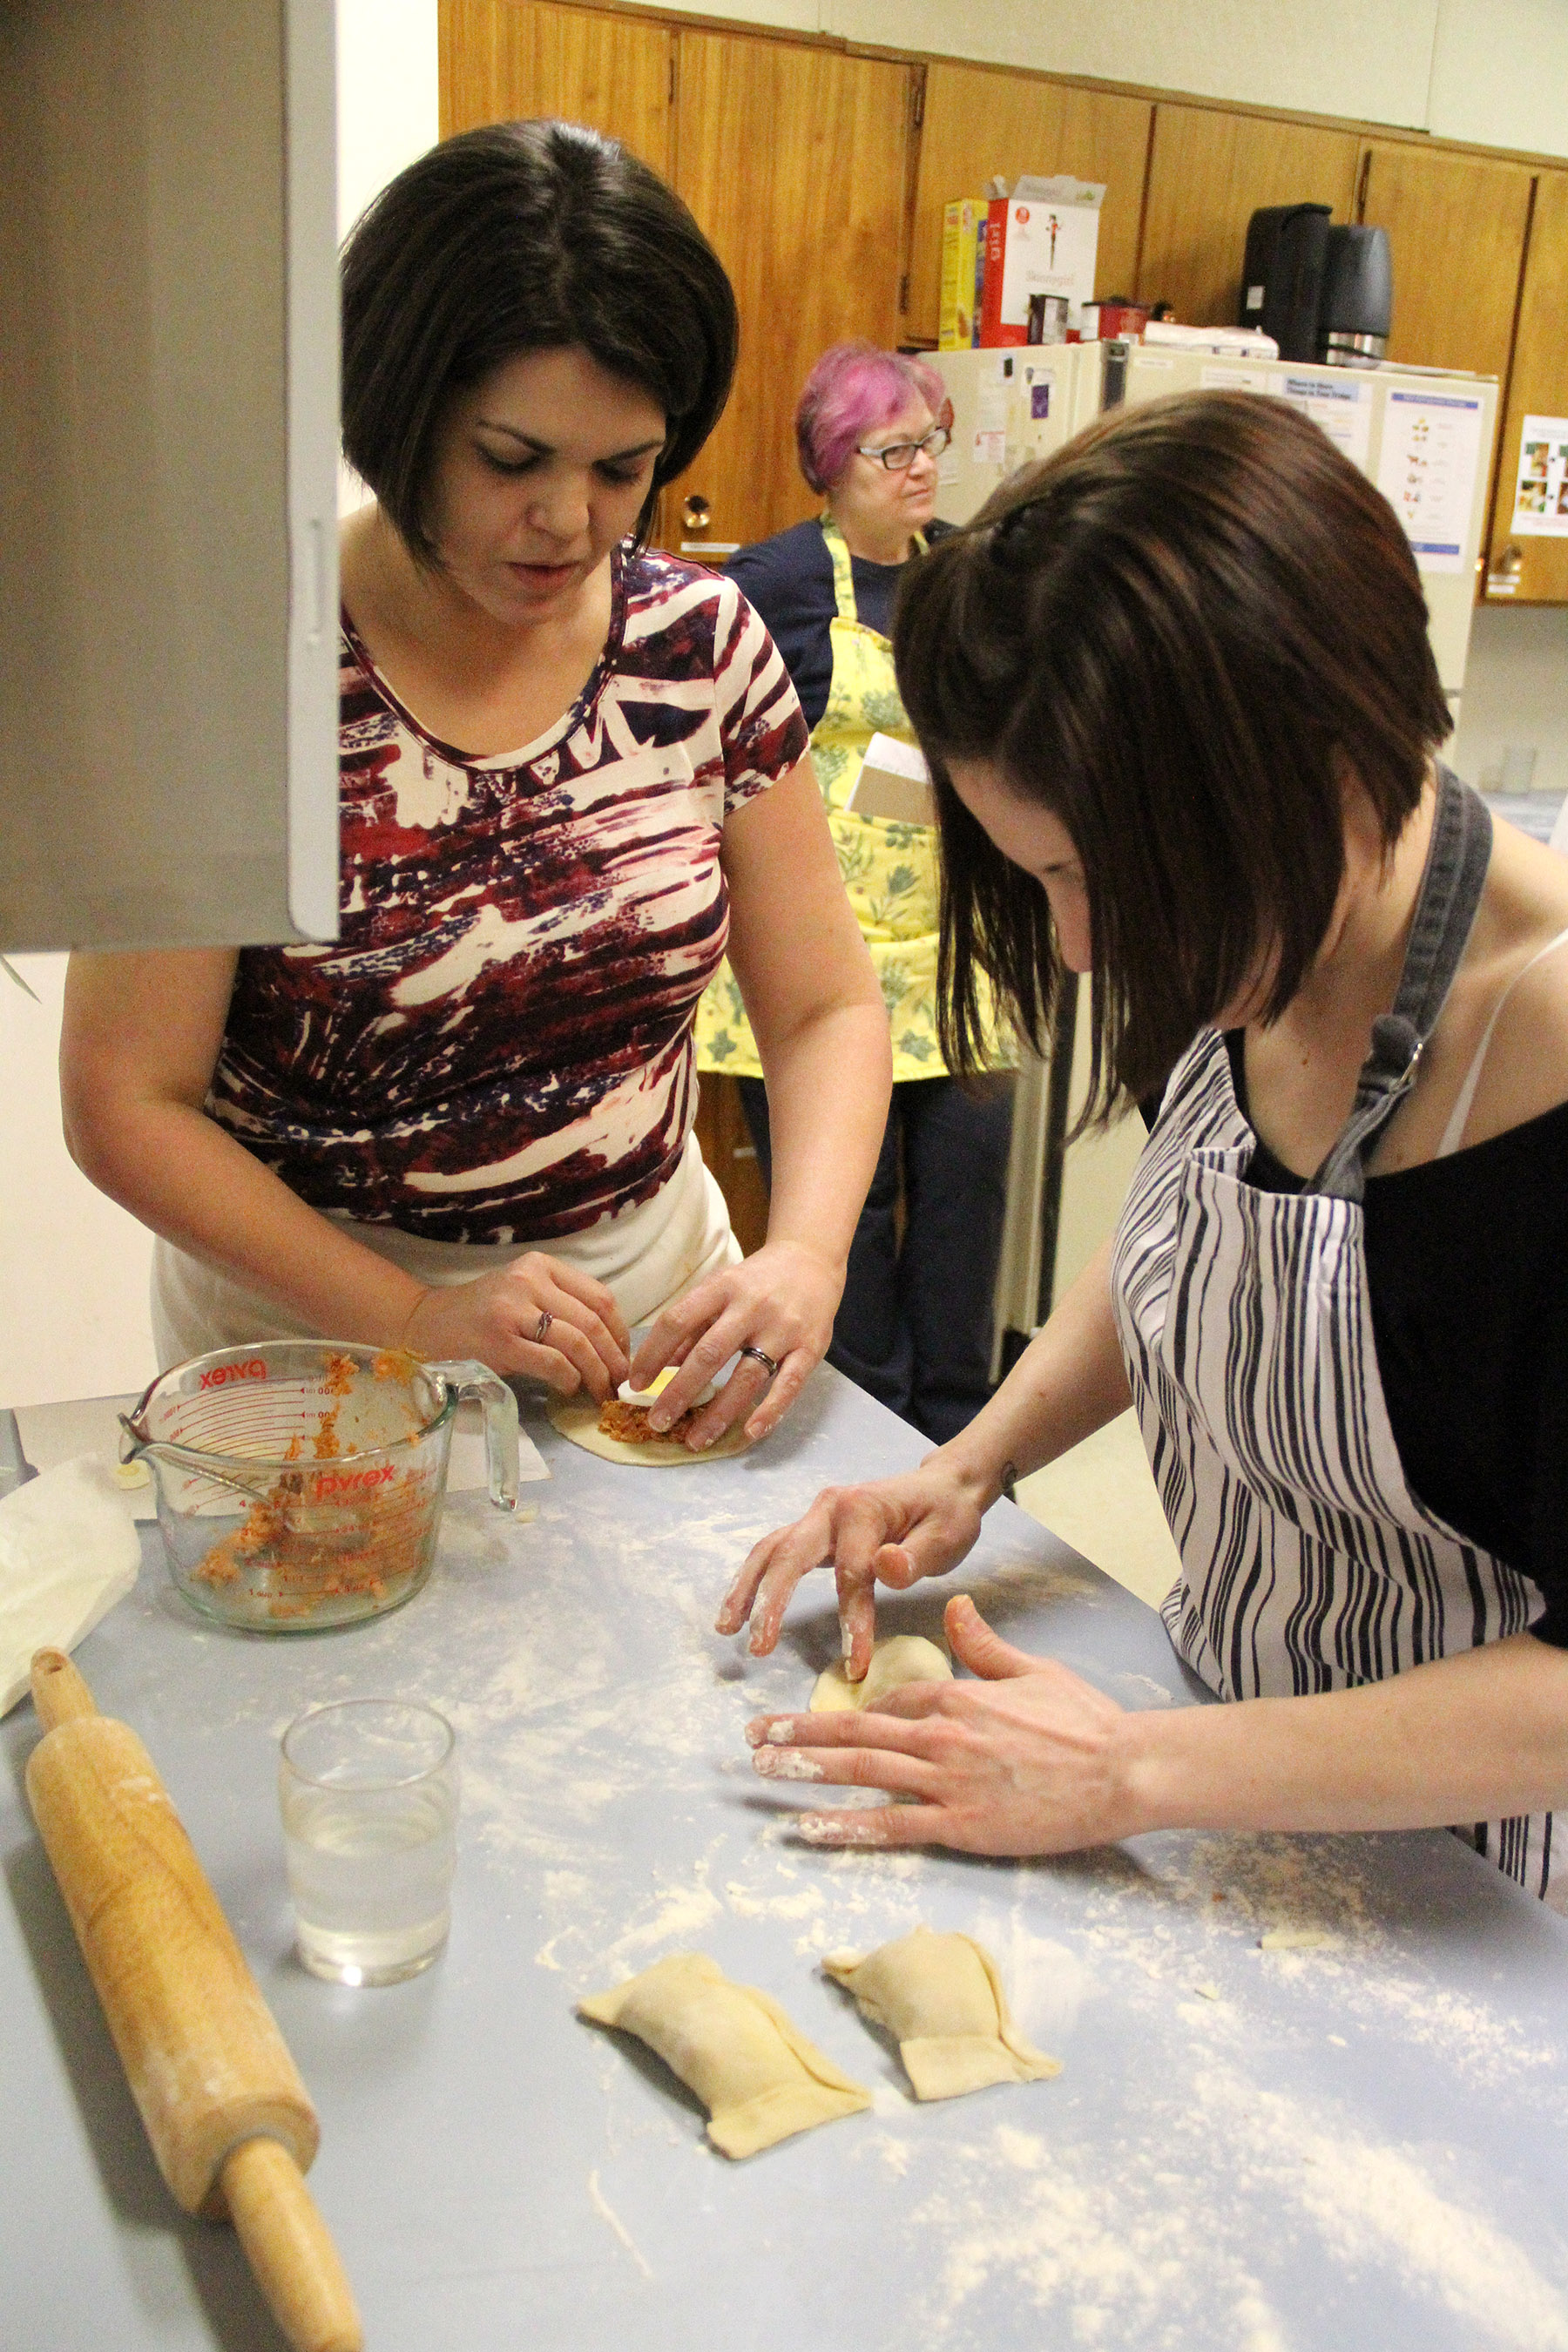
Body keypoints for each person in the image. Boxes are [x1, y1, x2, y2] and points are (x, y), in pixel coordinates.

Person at [718, 391, 1568, 1903]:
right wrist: (974, 1463)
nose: (1084, 947)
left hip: (1488, 1894)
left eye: (1101, 875)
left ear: (1318, 763)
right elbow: (1196, 1245)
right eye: (1043, 878)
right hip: (1234, 1774)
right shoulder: (1267, 926)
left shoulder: (1546, 1053)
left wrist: (1132, 1775)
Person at [60, 121, 890, 1452]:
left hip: (648, 1318)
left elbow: (825, 1006)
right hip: (314, 1343)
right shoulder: (236, 661)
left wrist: (806, 1256)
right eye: (512, 460)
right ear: (401, 417)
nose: (571, 521)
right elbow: (126, 1101)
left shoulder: (698, 647)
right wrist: (412, 1316)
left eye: (623, 469)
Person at [694, 341, 1014, 1445]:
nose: (922, 467)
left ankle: (967, 1466)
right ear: (833, 465)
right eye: (893, 450)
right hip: (823, 972)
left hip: (958, 963)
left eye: (931, 443)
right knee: (851, 1248)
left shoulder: (972, 571)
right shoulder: (772, 586)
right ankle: (865, 1458)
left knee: (965, 1229)